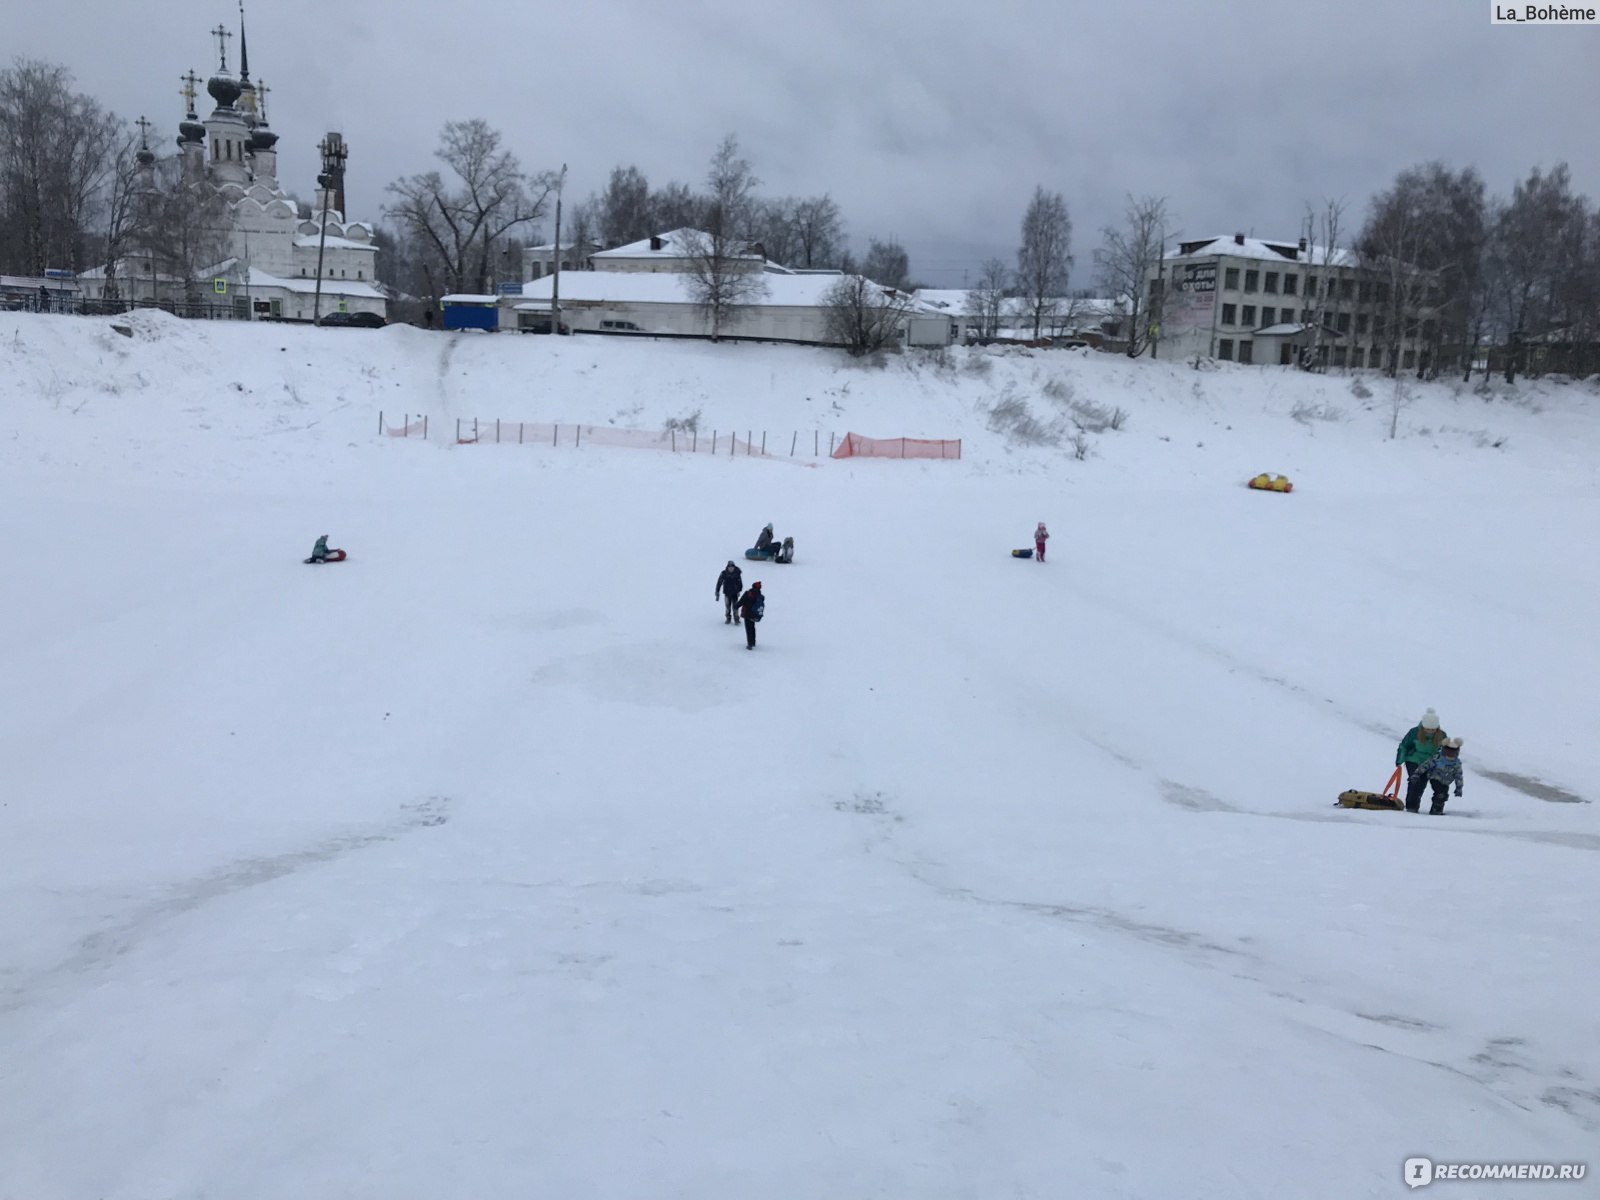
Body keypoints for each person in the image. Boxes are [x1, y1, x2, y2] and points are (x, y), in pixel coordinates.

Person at [1407, 736, 1465, 814]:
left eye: (1453, 753)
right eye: (1448, 752)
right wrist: (1417, 773)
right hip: (1435, 778)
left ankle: (1437, 809)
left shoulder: (1456, 764)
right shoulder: (1438, 758)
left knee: (1443, 795)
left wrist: (1459, 787)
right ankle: (1436, 810)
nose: (1450, 755)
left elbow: (1458, 776)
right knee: (1440, 793)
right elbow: (1426, 765)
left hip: (1446, 781)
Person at [1396, 708, 1447, 789]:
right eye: (1427, 729)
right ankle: (1411, 801)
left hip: (1430, 762)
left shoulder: (1442, 735)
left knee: (1426, 784)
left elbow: (1444, 751)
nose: (1430, 731)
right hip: (1413, 759)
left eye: (1433, 730)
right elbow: (1404, 746)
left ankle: (1420, 800)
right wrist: (1399, 760)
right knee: (1415, 782)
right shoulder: (1414, 732)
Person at [737, 581, 764, 650]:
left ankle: (750, 644)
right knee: (753, 627)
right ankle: (753, 642)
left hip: (747, 614)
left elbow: (741, 601)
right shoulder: (760, 596)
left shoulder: (748, 593)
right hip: (755, 614)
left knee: (748, 629)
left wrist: (735, 606)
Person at [715, 560, 744, 624]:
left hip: (735, 593)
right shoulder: (724, 573)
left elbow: (740, 583)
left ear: (734, 567)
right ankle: (728, 618)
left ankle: (736, 619)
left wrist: (739, 590)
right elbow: (719, 582)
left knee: (735, 606)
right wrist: (717, 592)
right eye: (729, 567)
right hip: (727, 593)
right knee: (727, 606)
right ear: (727, 567)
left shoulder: (737, 573)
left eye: (732, 567)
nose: (731, 568)